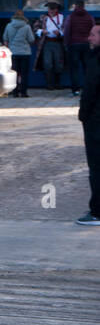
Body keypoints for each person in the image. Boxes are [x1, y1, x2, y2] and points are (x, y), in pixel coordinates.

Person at [76, 23, 100, 226]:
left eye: (93, 34)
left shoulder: (96, 59)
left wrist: (83, 115)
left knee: (97, 167)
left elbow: (90, 90)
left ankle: (97, 212)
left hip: (96, 122)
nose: (89, 38)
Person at [64, 0, 96, 97]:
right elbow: (93, 30)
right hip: (86, 45)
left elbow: (67, 31)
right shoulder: (89, 17)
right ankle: (88, 88)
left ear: (75, 6)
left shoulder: (70, 17)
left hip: (74, 44)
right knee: (87, 68)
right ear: (84, 6)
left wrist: (66, 43)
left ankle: (75, 90)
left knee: (74, 69)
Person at [2, 9, 35, 97]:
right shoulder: (27, 27)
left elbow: (5, 39)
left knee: (14, 73)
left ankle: (15, 92)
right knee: (24, 74)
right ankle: (23, 92)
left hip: (13, 53)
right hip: (25, 53)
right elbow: (31, 39)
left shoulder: (9, 26)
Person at [37, 1, 67, 90]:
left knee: (59, 63)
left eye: (53, 9)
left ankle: (57, 83)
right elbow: (35, 28)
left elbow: (66, 30)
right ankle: (49, 84)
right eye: (50, 9)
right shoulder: (43, 18)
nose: (51, 11)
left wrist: (60, 33)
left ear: (57, 9)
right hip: (47, 42)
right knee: (47, 63)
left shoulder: (62, 18)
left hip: (58, 42)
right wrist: (42, 31)